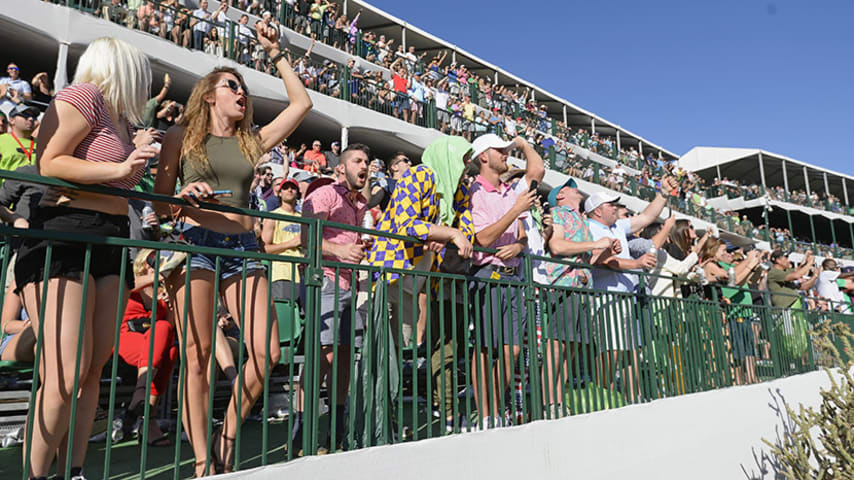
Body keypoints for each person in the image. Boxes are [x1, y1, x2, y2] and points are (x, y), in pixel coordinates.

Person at [154, 21, 311, 476]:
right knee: (199, 357)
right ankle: (205, 463)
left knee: (269, 354)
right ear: (209, 95)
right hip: (194, 245)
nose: (241, 93)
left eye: (243, 87)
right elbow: (161, 209)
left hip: (243, 248)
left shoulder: (251, 141)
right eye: (231, 86)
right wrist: (183, 198)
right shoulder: (180, 138)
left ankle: (225, 434)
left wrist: (276, 52)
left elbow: (302, 103)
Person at [15, 37, 155, 480]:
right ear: (127, 69)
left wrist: (137, 158)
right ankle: (36, 476)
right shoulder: (84, 95)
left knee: (92, 370)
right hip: (66, 234)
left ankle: (72, 472)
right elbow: (49, 161)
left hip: (110, 239)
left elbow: (121, 187)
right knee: (65, 374)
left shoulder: (120, 119)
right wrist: (119, 168)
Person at [293, 143, 369, 454]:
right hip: (323, 280)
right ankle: (302, 436)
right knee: (321, 358)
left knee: (343, 360)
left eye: (367, 162)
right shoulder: (323, 194)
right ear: (341, 167)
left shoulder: (361, 204)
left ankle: (335, 434)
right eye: (357, 160)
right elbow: (308, 237)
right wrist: (341, 251)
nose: (364, 166)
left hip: (349, 284)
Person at [467, 134, 540, 428]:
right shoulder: (475, 191)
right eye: (501, 151)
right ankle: (486, 414)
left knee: (512, 350)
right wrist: (515, 211)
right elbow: (482, 238)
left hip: (512, 277)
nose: (506, 155)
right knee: (485, 348)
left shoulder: (511, 191)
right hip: (487, 275)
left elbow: (522, 237)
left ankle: (495, 411)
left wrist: (520, 246)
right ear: (484, 156)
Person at [585, 175, 676, 402]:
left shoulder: (617, 226)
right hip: (606, 298)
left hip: (626, 298)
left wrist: (663, 193)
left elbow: (647, 216)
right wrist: (636, 264)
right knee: (613, 352)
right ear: (597, 211)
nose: (616, 208)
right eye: (611, 205)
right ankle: (600, 396)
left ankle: (632, 397)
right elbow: (598, 259)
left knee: (631, 353)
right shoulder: (590, 228)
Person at [541, 178, 615, 416]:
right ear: (561, 195)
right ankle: (549, 404)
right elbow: (557, 247)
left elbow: (587, 260)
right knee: (557, 347)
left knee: (570, 348)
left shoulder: (581, 220)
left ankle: (558, 400)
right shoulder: (559, 213)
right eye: (570, 187)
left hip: (581, 287)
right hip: (564, 286)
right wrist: (594, 243)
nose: (576, 189)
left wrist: (604, 249)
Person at [113, 249, 177, 447]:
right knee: (162, 331)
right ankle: (141, 403)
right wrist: (157, 275)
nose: (158, 265)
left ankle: (142, 412)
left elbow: (169, 327)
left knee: (170, 346)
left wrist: (172, 304)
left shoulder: (164, 292)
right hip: (125, 338)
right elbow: (130, 286)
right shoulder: (132, 283)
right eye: (154, 261)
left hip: (151, 347)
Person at [262, 178, 303, 304]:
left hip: (303, 273)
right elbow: (264, 249)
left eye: (293, 187)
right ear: (279, 193)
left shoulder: (304, 218)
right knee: (285, 317)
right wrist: (291, 243)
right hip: (282, 274)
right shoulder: (272, 216)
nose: (289, 190)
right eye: (285, 188)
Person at [0, 104, 39, 181]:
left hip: (34, 189)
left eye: (33, 117)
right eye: (25, 115)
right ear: (12, 120)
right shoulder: (1, 140)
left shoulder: (42, 144)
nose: (31, 119)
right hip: (6, 190)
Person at [0, 279, 35, 363]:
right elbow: (6, 325)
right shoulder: (19, 281)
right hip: (19, 338)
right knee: (43, 331)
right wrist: (29, 325)